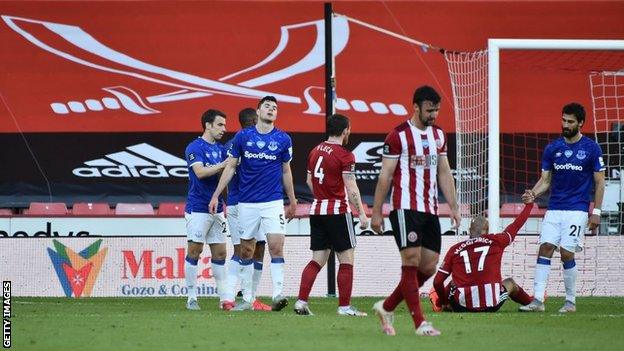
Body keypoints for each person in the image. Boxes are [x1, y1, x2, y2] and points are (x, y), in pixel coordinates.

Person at [370, 85, 460, 336]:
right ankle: (420, 323)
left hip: (430, 210)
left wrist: (453, 206)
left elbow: (444, 171)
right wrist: (376, 213)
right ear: (416, 107)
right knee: (411, 260)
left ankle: (386, 307)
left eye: (437, 110)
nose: (434, 115)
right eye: (429, 110)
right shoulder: (398, 135)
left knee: (429, 267)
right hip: (404, 208)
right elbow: (385, 175)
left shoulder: (439, 135)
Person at [209, 96, 297, 311]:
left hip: (273, 202)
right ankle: (247, 298)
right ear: (258, 111)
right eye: (267, 106)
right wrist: (216, 195)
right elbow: (230, 168)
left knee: (276, 246)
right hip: (247, 204)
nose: (271, 110)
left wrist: (293, 200)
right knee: (246, 251)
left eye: (275, 108)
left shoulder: (283, 139)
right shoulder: (242, 137)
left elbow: (286, 170)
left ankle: (278, 294)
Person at [519, 103, 605, 313]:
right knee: (545, 248)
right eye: (563, 120)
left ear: (580, 123)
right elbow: (545, 180)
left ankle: (570, 301)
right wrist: (533, 194)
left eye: (570, 122)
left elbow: (600, 182)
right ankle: (538, 300)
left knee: (567, 253)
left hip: (577, 209)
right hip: (555, 208)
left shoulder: (592, 148)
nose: (565, 124)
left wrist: (596, 212)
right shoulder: (553, 148)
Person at [294, 114, 370, 317]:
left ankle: (301, 302)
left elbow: (310, 182)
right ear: (345, 131)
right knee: (346, 260)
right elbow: (351, 186)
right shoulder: (345, 155)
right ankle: (344, 307)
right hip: (337, 212)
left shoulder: (314, 151)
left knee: (317, 260)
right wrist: (361, 213)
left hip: (317, 209)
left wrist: (322, 195)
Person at [429, 202, 534, 313]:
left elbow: (437, 282)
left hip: (462, 306)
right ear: (487, 230)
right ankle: (531, 303)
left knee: (453, 283)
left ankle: (440, 304)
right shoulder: (497, 241)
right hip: (491, 304)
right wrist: (529, 205)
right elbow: (516, 225)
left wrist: (444, 301)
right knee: (510, 283)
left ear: (469, 230)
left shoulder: (455, 249)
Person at [222, 107, 271, 311]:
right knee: (243, 250)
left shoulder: (229, 144)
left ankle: (247, 297)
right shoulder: (251, 144)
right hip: (248, 204)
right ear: (253, 120)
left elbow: (224, 175)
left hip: (237, 202)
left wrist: (228, 201)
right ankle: (231, 297)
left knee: (257, 247)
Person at [183, 109, 229, 310]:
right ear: (208, 125)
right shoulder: (194, 147)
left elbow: (225, 177)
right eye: (220, 125)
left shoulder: (221, 149)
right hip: (198, 207)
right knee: (195, 251)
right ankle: (191, 297)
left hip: (217, 208)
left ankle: (223, 299)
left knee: (220, 254)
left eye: (224, 125)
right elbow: (200, 172)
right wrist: (223, 165)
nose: (224, 129)